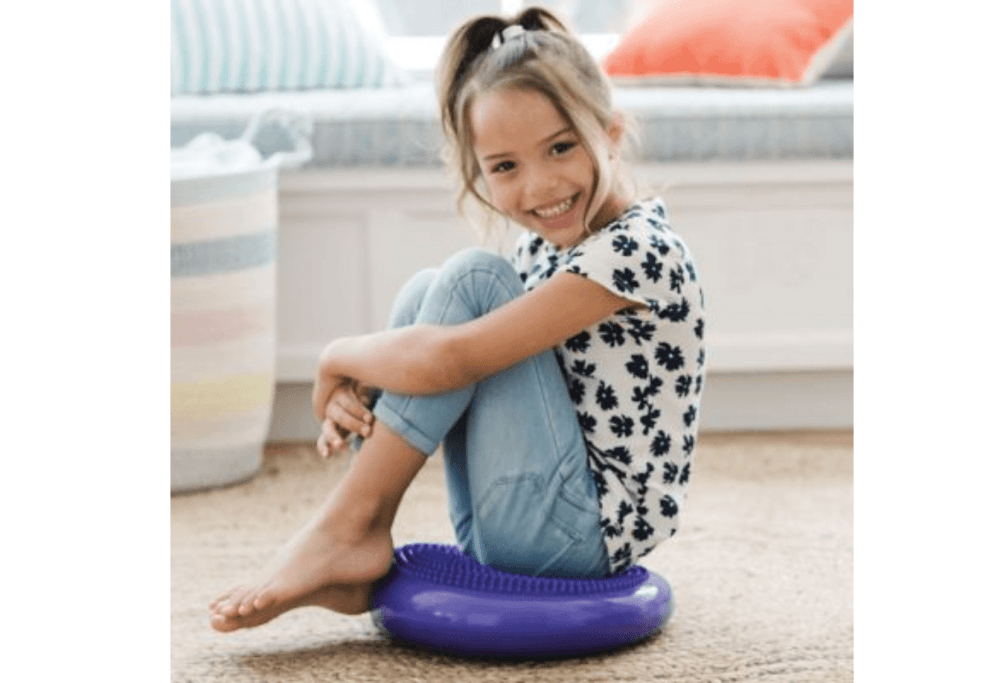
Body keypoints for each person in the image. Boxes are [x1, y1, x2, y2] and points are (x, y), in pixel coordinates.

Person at [208, 6, 706, 633]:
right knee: (432, 291)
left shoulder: (638, 252)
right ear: (478, 170)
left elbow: (452, 361)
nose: (539, 186)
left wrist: (338, 357)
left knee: (472, 281)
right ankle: (358, 521)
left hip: (576, 538)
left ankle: (351, 524)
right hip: (510, 523)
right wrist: (376, 379)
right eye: (505, 167)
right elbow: (454, 364)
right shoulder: (546, 247)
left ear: (611, 132)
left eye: (561, 147)